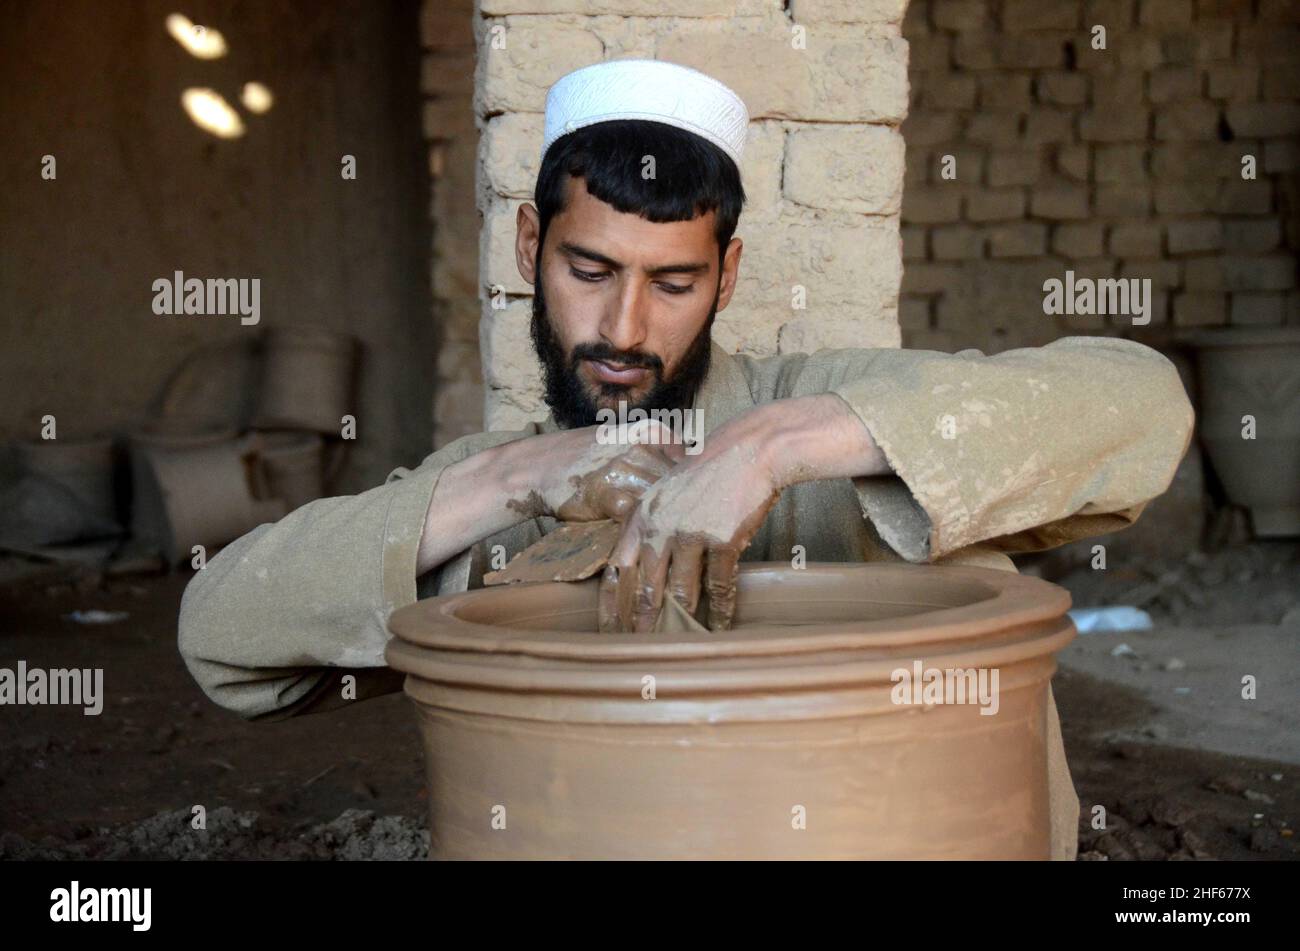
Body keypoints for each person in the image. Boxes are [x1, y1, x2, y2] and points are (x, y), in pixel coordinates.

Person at [178, 59, 1195, 860]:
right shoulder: (502, 491)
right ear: (529, 246)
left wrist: (774, 447)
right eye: (589, 270)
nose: (625, 328)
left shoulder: (821, 408)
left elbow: (1143, 403)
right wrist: (512, 480)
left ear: (727, 276)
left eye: (673, 284)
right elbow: (222, 639)